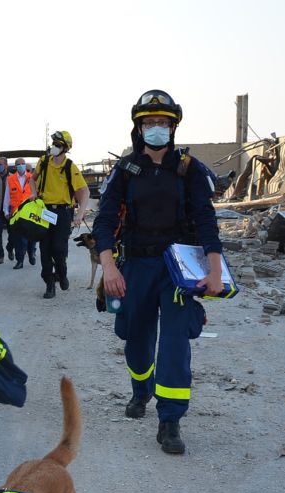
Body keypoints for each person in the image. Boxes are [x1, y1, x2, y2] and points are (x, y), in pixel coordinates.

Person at [92, 89, 223, 454]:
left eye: (162, 122)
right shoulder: (125, 170)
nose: (156, 128)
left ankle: (170, 421)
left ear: (173, 127)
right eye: (149, 122)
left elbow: (206, 220)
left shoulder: (189, 169)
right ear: (138, 127)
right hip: (136, 264)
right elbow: (104, 222)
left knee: (175, 341)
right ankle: (140, 390)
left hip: (178, 267)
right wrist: (109, 268)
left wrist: (214, 272)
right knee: (135, 335)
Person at [33, 131, 90, 298]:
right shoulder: (43, 162)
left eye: (58, 145)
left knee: (58, 249)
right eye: (53, 144)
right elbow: (32, 179)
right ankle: (49, 284)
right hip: (45, 211)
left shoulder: (70, 167)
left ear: (65, 148)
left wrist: (79, 214)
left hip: (63, 213)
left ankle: (61, 274)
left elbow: (84, 191)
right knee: (45, 249)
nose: (54, 147)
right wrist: (33, 193)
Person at [3, 157, 36, 269]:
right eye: (19, 164)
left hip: (30, 212)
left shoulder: (32, 178)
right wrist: (5, 210)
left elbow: (37, 195)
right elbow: (7, 196)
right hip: (16, 213)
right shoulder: (10, 179)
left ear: (25, 165)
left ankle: (31, 253)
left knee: (31, 237)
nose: (21, 165)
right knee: (18, 238)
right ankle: (20, 261)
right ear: (16, 166)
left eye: (23, 163)